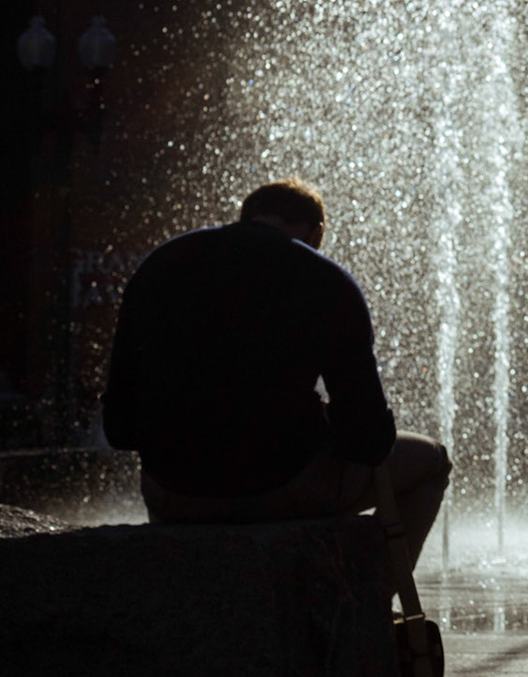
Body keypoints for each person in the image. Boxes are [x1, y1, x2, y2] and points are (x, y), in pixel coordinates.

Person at [102, 178, 449, 571]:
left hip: (173, 489)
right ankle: (373, 600)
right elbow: (369, 441)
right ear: (317, 231)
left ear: (246, 218)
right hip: (281, 482)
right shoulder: (324, 278)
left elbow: (120, 429)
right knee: (432, 462)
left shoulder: (161, 264)